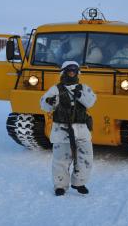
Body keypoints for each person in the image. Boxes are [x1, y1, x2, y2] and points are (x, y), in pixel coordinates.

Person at [40, 61, 96, 196]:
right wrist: (50, 102)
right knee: (61, 159)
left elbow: (91, 101)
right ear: (63, 72)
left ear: (77, 73)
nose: (71, 73)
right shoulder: (56, 89)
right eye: (69, 71)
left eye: (74, 71)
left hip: (81, 128)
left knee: (85, 157)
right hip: (62, 129)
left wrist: (80, 95)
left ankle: (79, 182)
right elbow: (43, 104)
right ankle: (60, 185)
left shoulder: (84, 88)